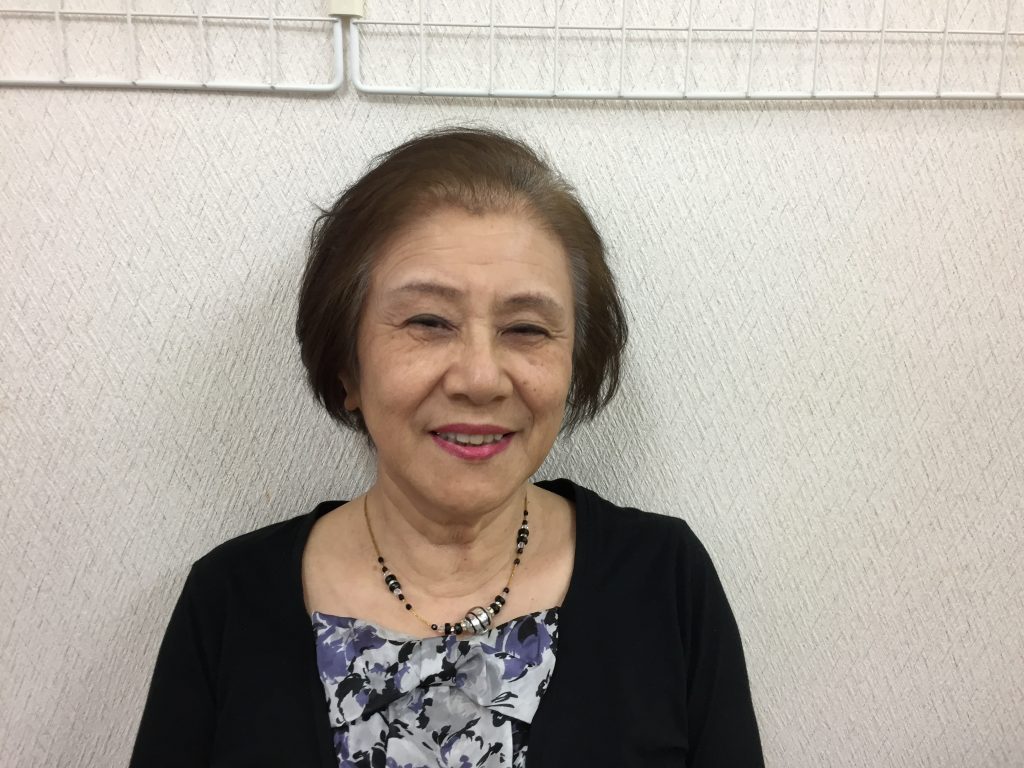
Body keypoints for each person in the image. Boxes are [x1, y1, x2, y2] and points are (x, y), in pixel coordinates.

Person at [130, 127, 764, 767]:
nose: (481, 379)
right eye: (428, 322)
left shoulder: (664, 583)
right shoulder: (228, 601)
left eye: (526, 328)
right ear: (348, 367)